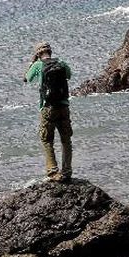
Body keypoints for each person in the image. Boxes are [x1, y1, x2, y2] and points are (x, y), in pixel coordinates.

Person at [23, 41, 73, 182]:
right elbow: (69, 75)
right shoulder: (61, 63)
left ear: (38, 54)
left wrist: (31, 63)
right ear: (50, 52)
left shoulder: (38, 65)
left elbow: (26, 78)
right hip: (63, 106)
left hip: (48, 107)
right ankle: (67, 171)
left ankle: (53, 171)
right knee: (66, 140)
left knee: (46, 139)